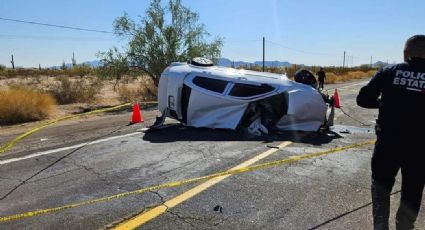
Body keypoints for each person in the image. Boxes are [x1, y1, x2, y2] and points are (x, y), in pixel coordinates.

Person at [357, 35, 425, 230]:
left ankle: (380, 226)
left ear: (405, 54)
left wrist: (384, 104)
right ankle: (404, 226)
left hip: (388, 142)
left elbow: (363, 99)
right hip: (420, 147)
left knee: (381, 185)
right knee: (413, 189)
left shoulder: (389, 71)